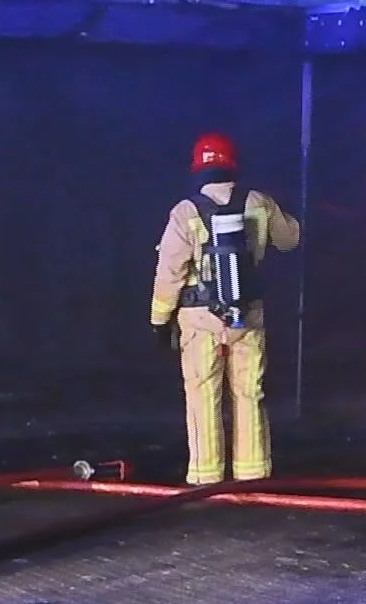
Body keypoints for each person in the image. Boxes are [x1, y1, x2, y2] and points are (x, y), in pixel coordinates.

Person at [150, 133, 299, 486]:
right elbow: (289, 240)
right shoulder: (259, 202)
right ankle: (253, 475)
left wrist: (159, 320)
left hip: (199, 320)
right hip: (247, 315)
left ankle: (206, 478)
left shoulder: (185, 212)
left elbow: (169, 273)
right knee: (249, 394)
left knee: (203, 395)